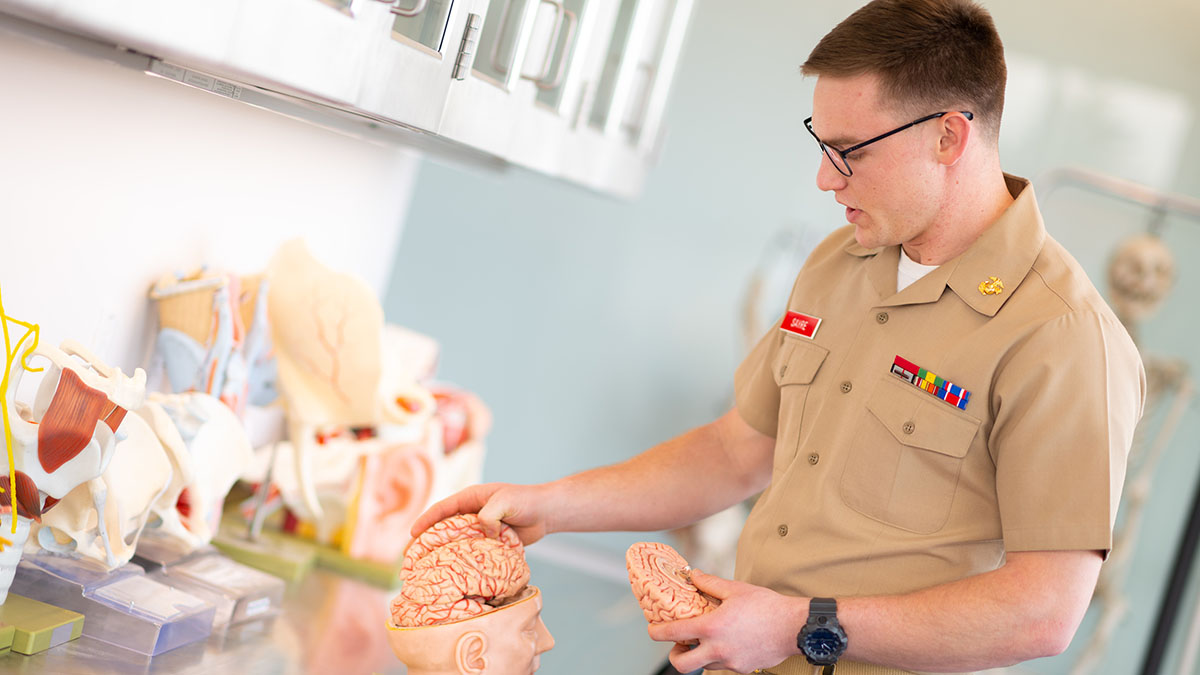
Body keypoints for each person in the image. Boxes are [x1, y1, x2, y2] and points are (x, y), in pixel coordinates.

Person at [411, 1, 1145, 673]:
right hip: (732, 653)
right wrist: (551, 504)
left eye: (849, 150)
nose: (825, 180)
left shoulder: (1064, 337)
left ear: (949, 135)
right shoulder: (840, 263)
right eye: (821, 143)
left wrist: (801, 624)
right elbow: (735, 450)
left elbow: (1044, 611)